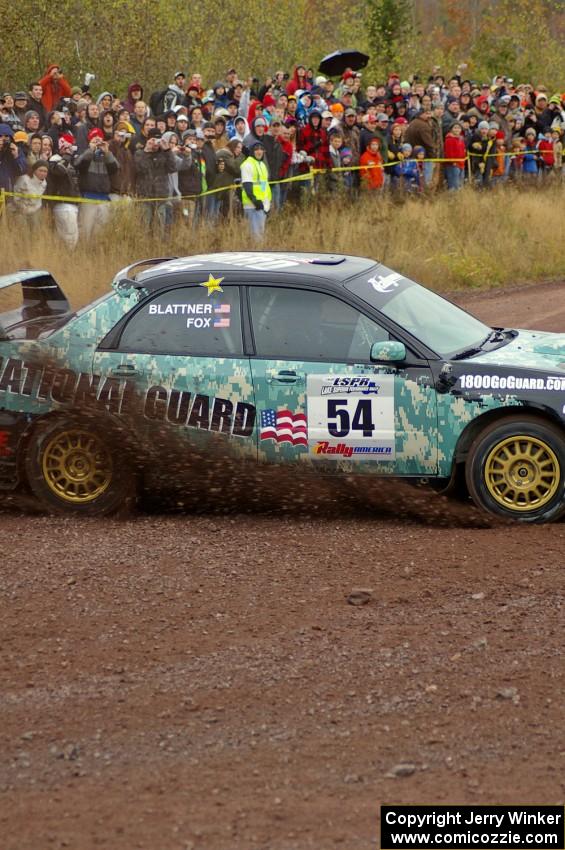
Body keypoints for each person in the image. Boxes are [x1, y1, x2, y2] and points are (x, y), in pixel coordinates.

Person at [75, 127, 119, 238]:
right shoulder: (85, 153)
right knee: (85, 231)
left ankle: (97, 254)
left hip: (104, 198)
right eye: (94, 139)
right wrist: (91, 150)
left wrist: (107, 152)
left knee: (100, 233)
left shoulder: (107, 156)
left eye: (99, 139)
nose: (97, 142)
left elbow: (115, 169)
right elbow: (80, 166)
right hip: (88, 198)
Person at [134, 129, 178, 234]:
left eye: (158, 140)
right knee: (144, 228)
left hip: (161, 197)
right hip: (145, 196)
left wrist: (167, 150)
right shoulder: (140, 153)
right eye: (153, 140)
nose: (156, 143)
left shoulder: (164, 153)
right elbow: (140, 169)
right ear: (148, 140)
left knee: (159, 228)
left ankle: (158, 247)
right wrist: (147, 151)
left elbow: (172, 168)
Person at [46, 135, 81, 248]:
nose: (69, 149)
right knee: (70, 236)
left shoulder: (73, 160)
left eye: (70, 147)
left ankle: (64, 259)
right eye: (66, 147)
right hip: (62, 202)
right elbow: (59, 171)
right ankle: (67, 258)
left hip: (74, 202)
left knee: (72, 236)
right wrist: (66, 156)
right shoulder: (54, 159)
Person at [240, 140, 271, 238]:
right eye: (256, 149)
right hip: (253, 205)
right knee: (256, 237)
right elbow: (247, 184)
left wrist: (267, 203)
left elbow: (263, 185)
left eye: (261, 149)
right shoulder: (247, 164)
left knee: (260, 235)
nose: (259, 151)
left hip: (262, 204)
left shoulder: (262, 164)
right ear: (252, 151)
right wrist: (255, 200)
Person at [13, 160, 48, 228]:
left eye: (45, 171)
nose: (43, 173)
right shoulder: (24, 179)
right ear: (35, 170)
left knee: (36, 233)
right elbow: (16, 195)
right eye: (40, 170)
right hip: (21, 210)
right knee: (23, 234)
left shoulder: (44, 183)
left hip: (35, 210)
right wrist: (22, 207)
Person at [0, 123, 27, 192]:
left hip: (7, 191)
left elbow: (22, 171)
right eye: (0, 136)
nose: (3, 138)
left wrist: (16, 156)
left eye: (6, 136)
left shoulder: (15, 149)